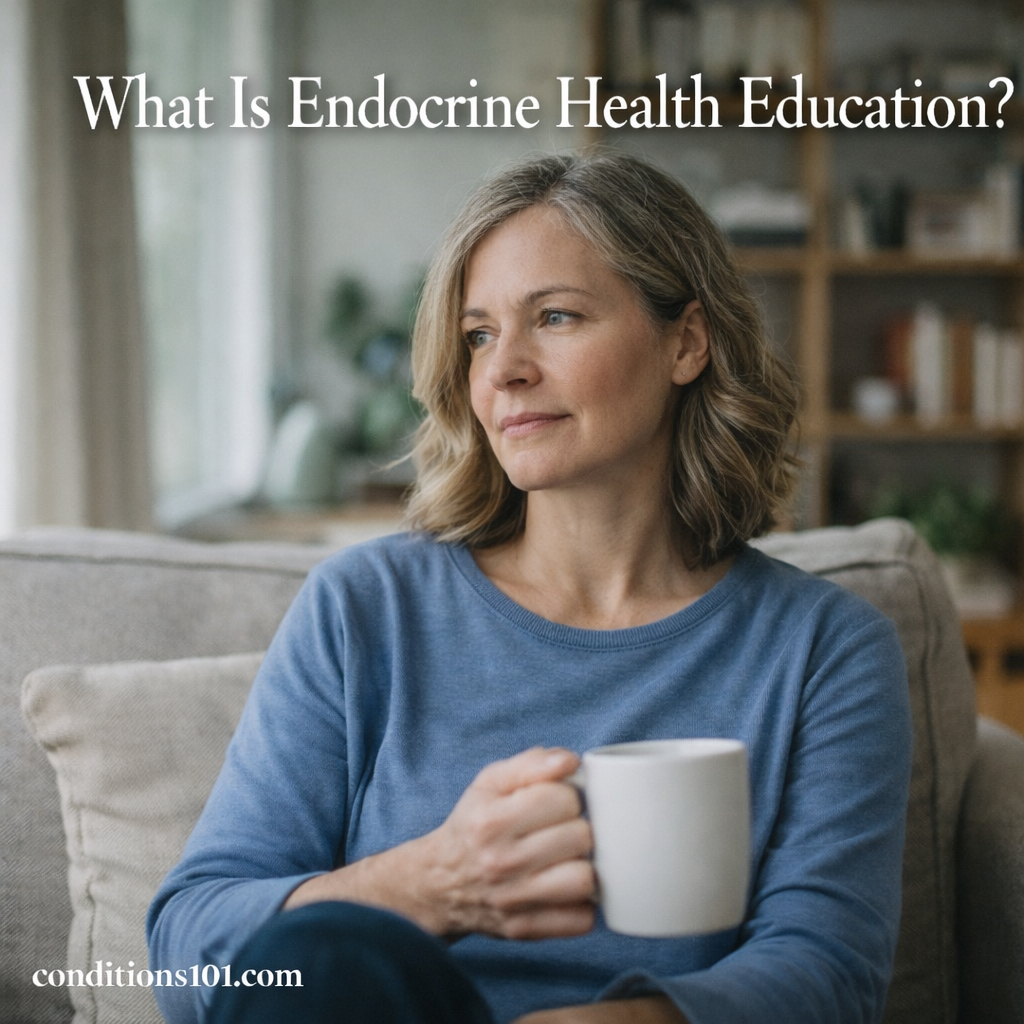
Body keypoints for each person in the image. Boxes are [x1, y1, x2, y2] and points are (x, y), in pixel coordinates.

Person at [147, 151, 912, 1024]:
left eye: (554, 317)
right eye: (479, 335)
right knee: (324, 956)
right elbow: (187, 946)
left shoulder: (824, 649)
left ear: (686, 342)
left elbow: (827, 973)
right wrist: (433, 884)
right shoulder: (364, 609)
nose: (503, 369)